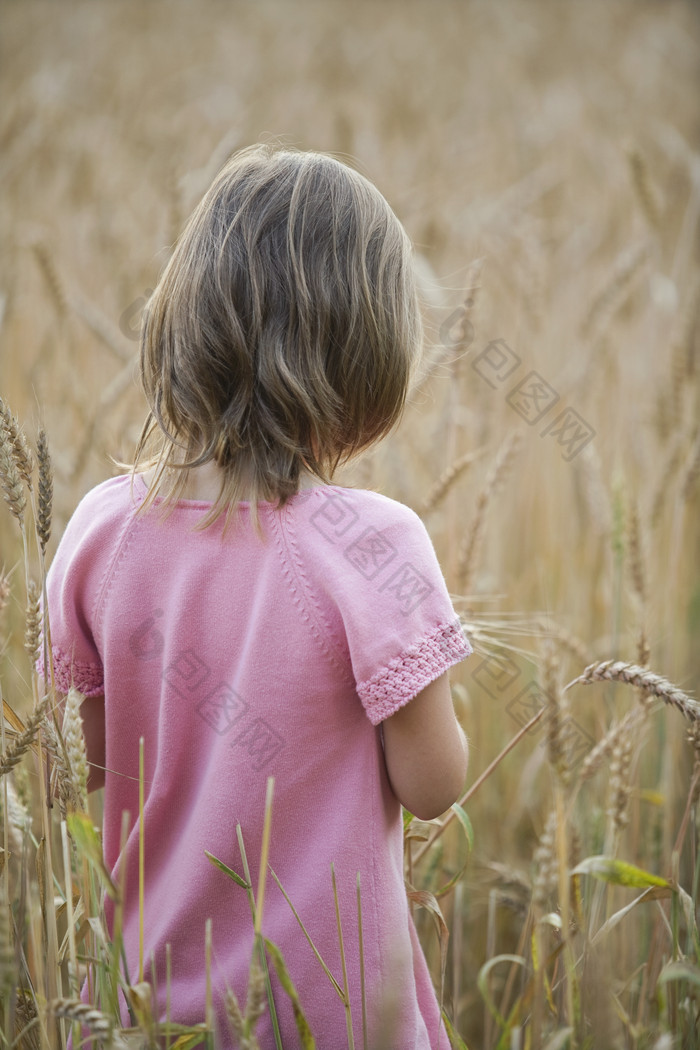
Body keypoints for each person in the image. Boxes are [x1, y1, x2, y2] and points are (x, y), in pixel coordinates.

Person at [44, 143, 472, 1049]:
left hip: (142, 1009)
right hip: (331, 1012)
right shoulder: (375, 545)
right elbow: (433, 785)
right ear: (364, 357)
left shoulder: (96, 531)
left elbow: (79, 773)